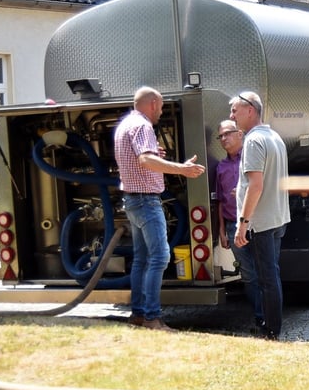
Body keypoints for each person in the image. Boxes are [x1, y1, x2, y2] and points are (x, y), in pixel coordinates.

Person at [114, 86, 205, 331]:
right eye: (162, 106)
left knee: (141, 259)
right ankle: (153, 318)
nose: (161, 112)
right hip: (145, 201)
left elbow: (140, 158)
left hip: (132, 201)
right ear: (153, 103)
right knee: (160, 257)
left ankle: (138, 314)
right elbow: (145, 160)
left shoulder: (126, 124)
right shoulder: (143, 125)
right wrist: (182, 169)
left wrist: (157, 155)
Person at [230, 91, 290, 341]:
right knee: (271, 275)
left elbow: (255, 186)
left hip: (262, 222)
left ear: (250, 110)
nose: (231, 116)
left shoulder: (254, 141)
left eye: (235, 110)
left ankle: (271, 331)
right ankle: (270, 325)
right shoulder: (274, 136)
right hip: (277, 218)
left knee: (266, 278)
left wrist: (243, 224)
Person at [213, 118, 263, 330]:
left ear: (240, 134)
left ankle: (271, 316)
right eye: (221, 135)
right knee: (249, 276)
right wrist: (222, 232)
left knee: (266, 271)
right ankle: (261, 317)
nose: (224, 138)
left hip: (258, 224)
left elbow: (262, 187)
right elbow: (220, 201)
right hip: (234, 227)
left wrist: (243, 193)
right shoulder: (221, 168)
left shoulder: (252, 159)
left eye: (228, 133)